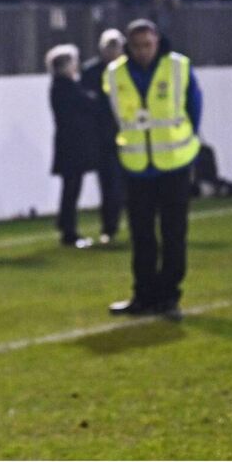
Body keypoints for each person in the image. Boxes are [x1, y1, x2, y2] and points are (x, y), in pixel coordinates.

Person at [103, 20, 202, 321]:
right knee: (141, 236)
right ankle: (143, 295)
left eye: (148, 45)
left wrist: (182, 142)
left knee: (173, 234)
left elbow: (194, 108)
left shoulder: (178, 66)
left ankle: (169, 296)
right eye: (137, 46)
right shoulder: (115, 73)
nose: (143, 51)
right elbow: (112, 115)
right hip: (136, 166)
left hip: (174, 164)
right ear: (128, 47)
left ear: (157, 41)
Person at [46, 44, 99, 248]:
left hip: (68, 144)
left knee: (71, 187)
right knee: (72, 188)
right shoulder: (65, 87)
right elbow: (88, 104)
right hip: (72, 145)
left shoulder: (60, 86)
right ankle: (69, 231)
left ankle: (65, 224)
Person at [80, 29, 126, 244]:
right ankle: (109, 227)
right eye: (110, 47)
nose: (113, 51)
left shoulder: (129, 69)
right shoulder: (91, 72)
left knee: (131, 186)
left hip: (128, 135)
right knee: (109, 185)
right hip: (104, 138)